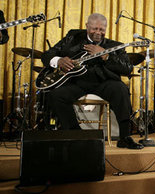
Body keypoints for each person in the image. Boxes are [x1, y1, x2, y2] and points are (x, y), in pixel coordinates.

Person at [41, 13, 143, 149]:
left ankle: (124, 137)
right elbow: (47, 55)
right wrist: (59, 60)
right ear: (87, 26)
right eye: (94, 28)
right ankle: (76, 134)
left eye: (101, 29)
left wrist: (106, 55)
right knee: (55, 95)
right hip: (76, 83)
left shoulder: (115, 46)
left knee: (121, 89)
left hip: (103, 82)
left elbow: (127, 68)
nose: (98, 32)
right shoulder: (73, 37)